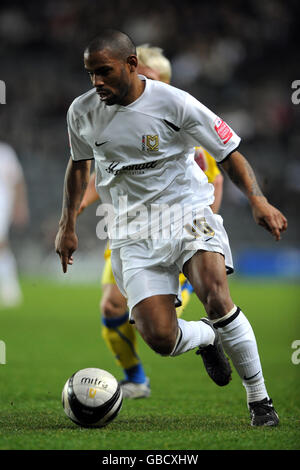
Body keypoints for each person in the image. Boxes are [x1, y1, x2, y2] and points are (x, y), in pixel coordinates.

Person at [55, 30, 287, 426]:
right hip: (131, 231)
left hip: (186, 216)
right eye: (90, 73)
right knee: (161, 339)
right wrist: (67, 223)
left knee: (216, 295)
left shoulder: (175, 103)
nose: (96, 82)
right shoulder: (82, 111)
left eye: (104, 72)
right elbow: (79, 167)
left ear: (130, 65)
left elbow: (228, 153)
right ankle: (207, 337)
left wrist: (257, 199)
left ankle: (259, 400)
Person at [78, 44, 224, 399]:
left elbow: (214, 178)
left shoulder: (183, 124)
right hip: (128, 230)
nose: (139, 80)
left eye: (149, 76)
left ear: (165, 83)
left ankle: (206, 335)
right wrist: (77, 205)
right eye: (137, 74)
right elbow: (105, 175)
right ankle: (135, 379)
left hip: (177, 231)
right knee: (111, 306)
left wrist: (203, 231)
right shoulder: (114, 121)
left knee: (159, 325)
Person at [0, 141, 29, 308]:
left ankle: (10, 288)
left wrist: (20, 206)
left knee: (1, 244)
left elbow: (18, 181)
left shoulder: (4, 152)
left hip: (2, 201)